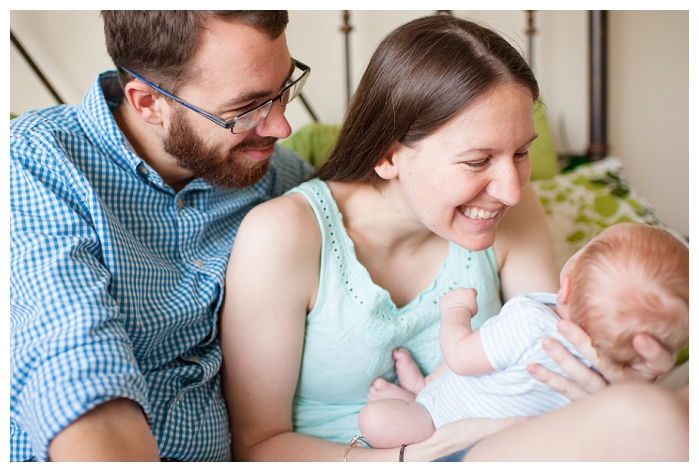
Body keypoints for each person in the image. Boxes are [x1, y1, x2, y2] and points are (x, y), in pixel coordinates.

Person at [219, 15, 681, 462]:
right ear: (389, 154)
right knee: (649, 415)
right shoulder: (283, 236)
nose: (512, 190)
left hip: (503, 444)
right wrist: (413, 456)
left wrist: (622, 379)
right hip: (366, 456)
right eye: (478, 161)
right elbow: (259, 447)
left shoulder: (516, 212)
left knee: (665, 405)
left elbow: (563, 358)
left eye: (521, 153)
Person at [10, 11, 312, 461]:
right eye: (247, 110)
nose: (281, 128)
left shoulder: (281, 180)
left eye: (285, 90)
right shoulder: (35, 160)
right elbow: (70, 353)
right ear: (147, 102)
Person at [358, 223, 689, 449]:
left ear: (568, 283)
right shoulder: (607, 372)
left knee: (373, 419)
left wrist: (454, 311)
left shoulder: (530, 321)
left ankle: (420, 406)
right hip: (511, 449)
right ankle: (422, 389)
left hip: (442, 426)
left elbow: (460, 357)